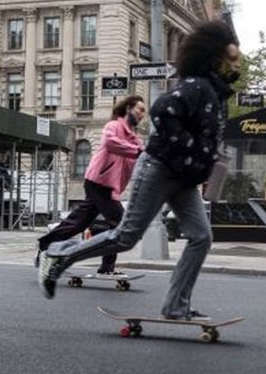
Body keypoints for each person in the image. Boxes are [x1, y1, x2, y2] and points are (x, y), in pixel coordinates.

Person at [38, 20, 241, 319]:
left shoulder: (212, 91)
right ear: (215, 56)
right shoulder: (195, 86)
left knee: (201, 236)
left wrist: (203, 160)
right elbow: (162, 111)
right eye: (231, 59)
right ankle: (59, 256)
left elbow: (201, 135)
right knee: (126, 236)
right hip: (160, 168)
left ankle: (175, 306)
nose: (234, 66)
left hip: (182, 177)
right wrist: (190, 152)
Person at [35, 95, 146, 275]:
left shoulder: (134, 138)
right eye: (140, 109)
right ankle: (105, 267)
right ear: (128, 109)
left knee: (79, 222)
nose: (143, 114)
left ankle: (46, 245)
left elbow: (143, 156)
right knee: (120, 223)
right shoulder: (114, 126)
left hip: (109, 186)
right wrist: (137, 151)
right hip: (98, 182)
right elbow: (111, 143)